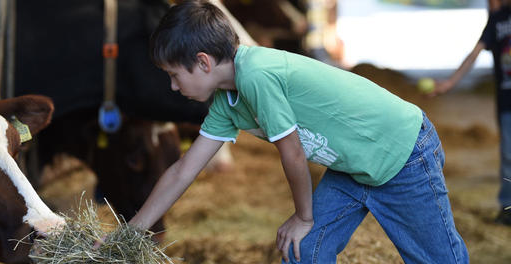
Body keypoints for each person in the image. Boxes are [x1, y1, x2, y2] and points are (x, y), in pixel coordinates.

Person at [122, 1, 469, 263]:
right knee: (303, 251)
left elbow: (292, 153)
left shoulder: (256, 73)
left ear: (203, 63)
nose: (171, 86)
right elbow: (183, 171)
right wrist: (129, 233)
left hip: (401, 153)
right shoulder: (227, 103)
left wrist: (304, 217)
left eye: (174, 75)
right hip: (353, 167)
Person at [430, 0, 511, 226]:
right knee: (508, 156)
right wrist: (449, 83)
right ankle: (507, 208)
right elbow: (474, 54)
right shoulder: (498, 19)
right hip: (507, 102)